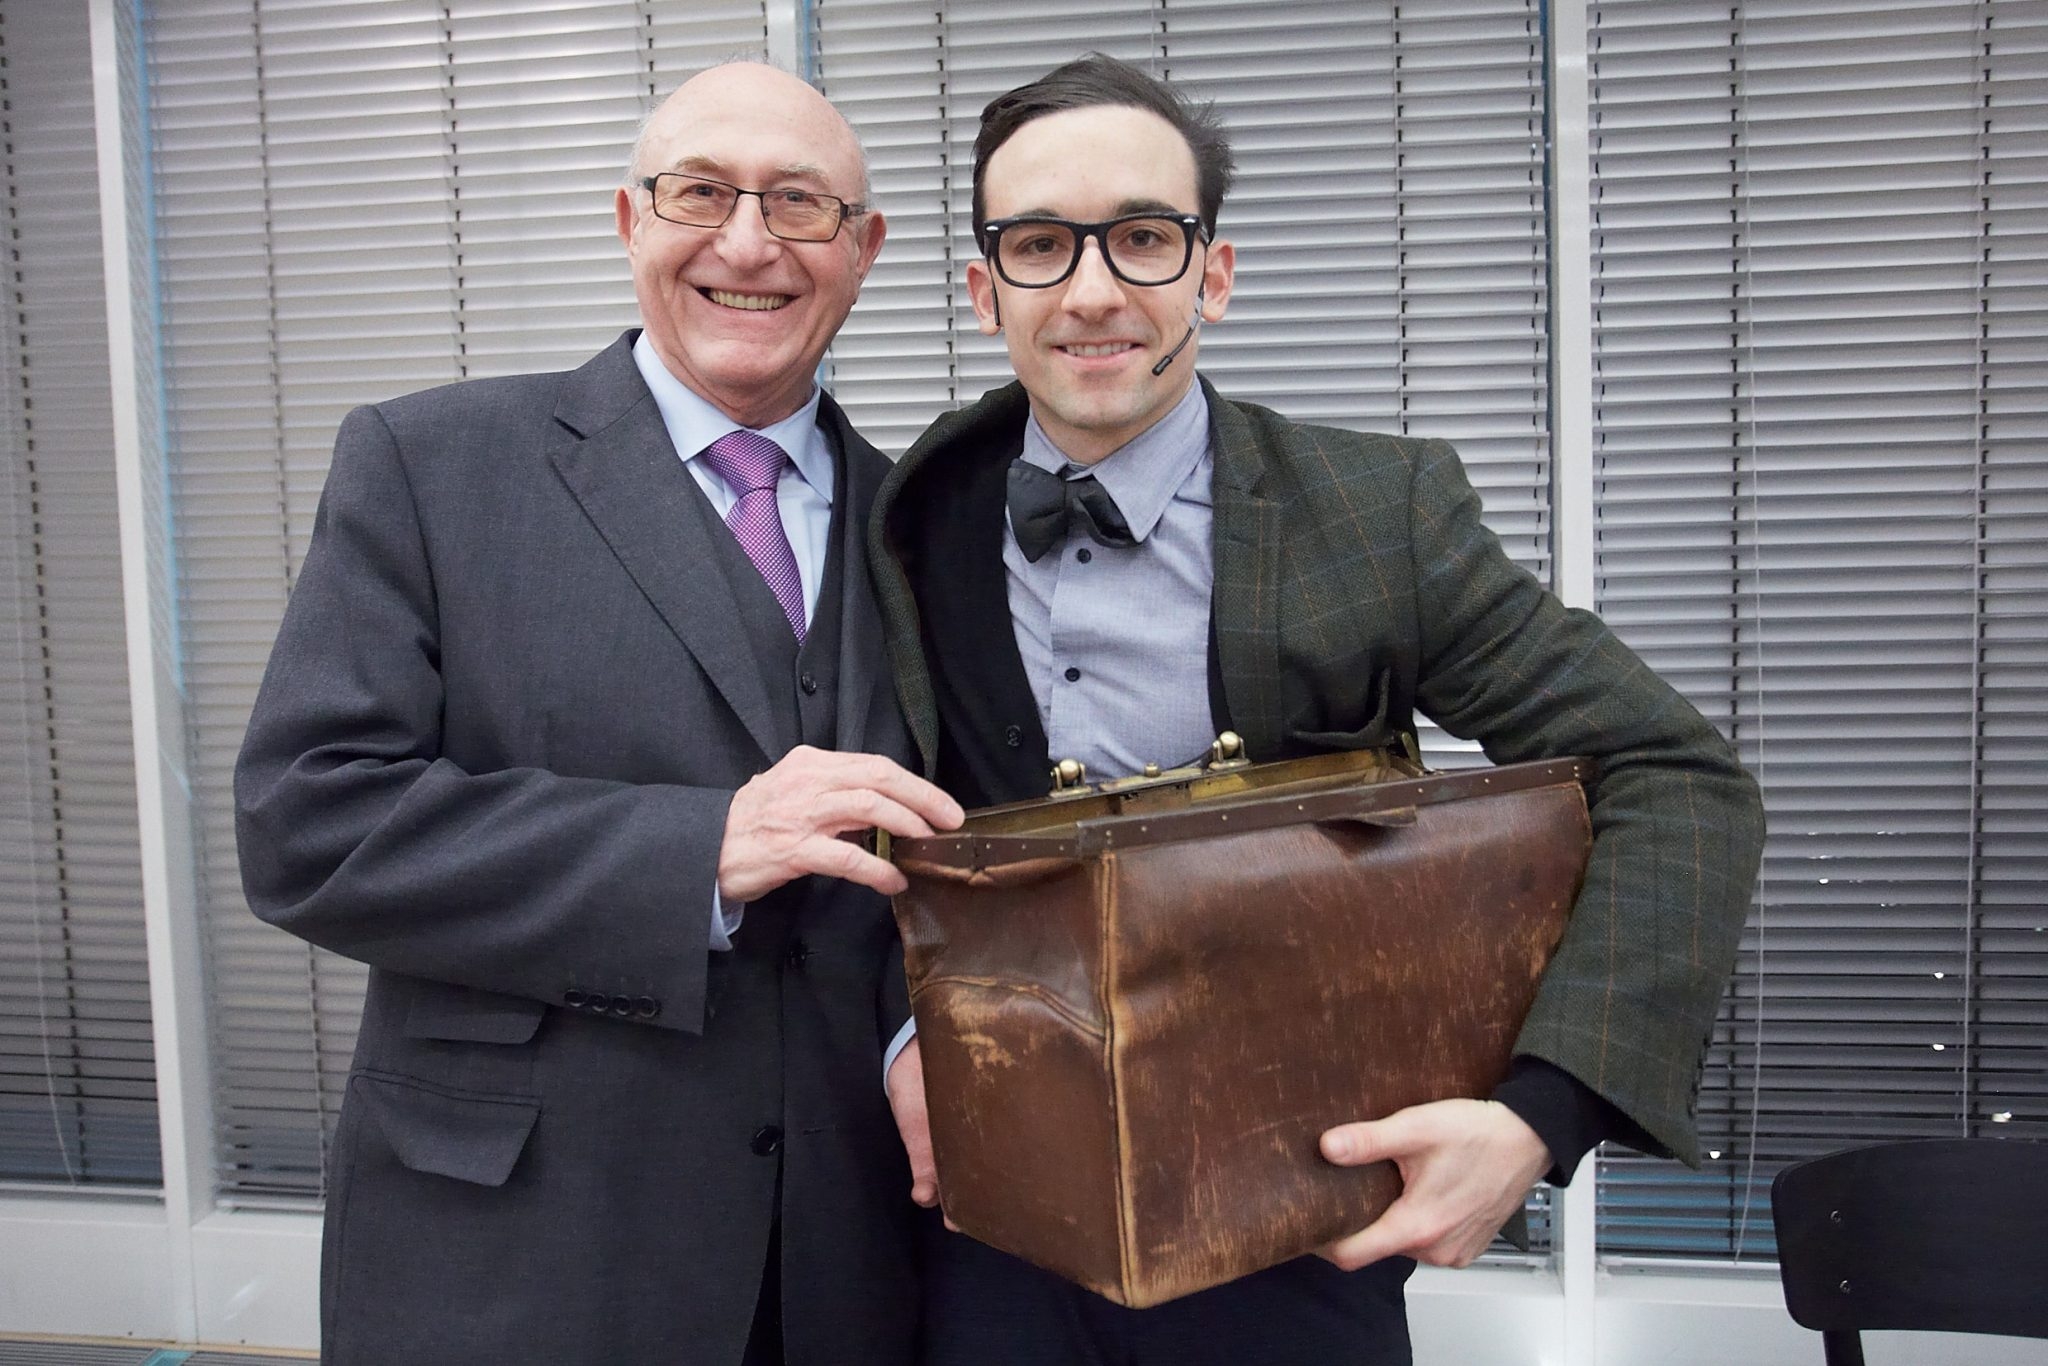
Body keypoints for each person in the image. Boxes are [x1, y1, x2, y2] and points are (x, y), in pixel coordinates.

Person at [870, 53, 1766, 1366]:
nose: (1095, 288)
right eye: (1042, 245)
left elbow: (1671, 776)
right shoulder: (908, 512)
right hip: (987, 1223)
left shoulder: (1379, 514)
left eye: (1142, 237)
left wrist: (1537, 1114)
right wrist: (905, 1036)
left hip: (1292, 1219)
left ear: (1211, 275)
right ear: (984, 288)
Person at [234, 62, 961, 1366]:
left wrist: (924, 1027)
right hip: (527, 1256)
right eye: (701, 193)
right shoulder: (431, 466)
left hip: (847, 1265)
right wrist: (698, 850)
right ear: (630, 219)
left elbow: (941, 859)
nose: (749, 242)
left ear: (863, 249)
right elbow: (310, 823)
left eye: (799, 203)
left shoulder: (920, 523)